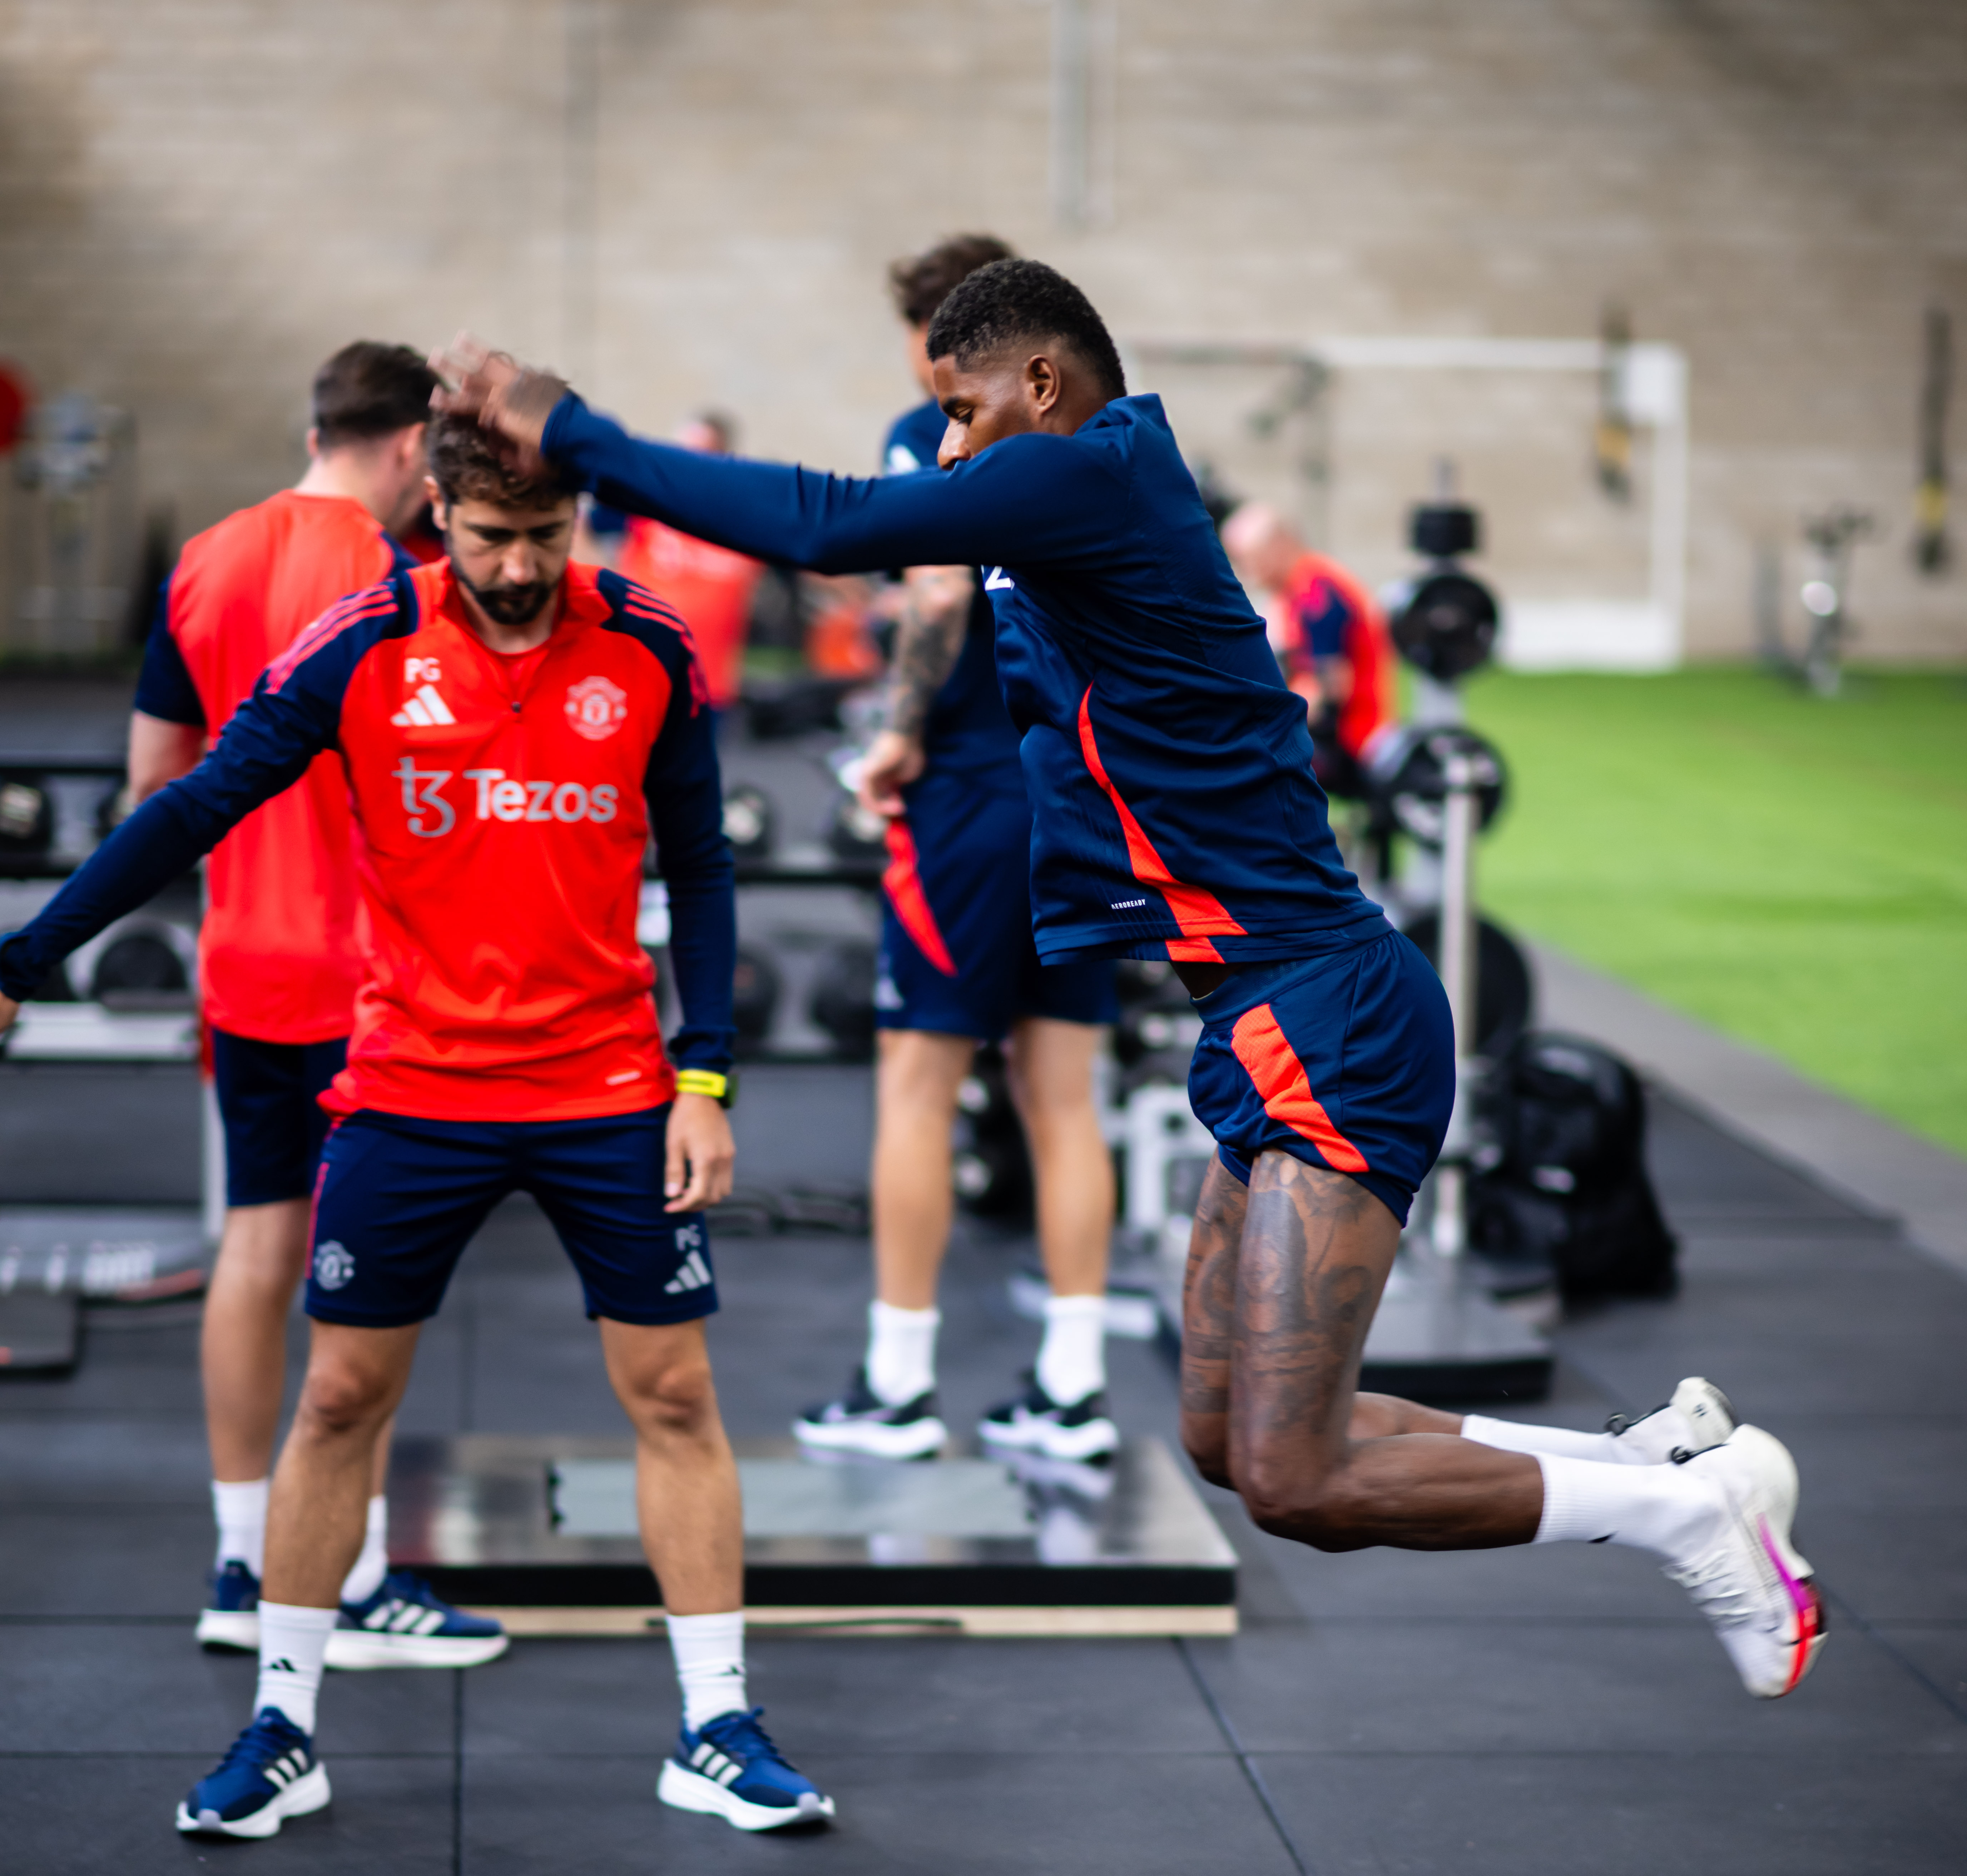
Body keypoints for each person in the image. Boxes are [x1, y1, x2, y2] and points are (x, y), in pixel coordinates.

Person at [432, 257, 1825, 1704]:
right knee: (1230, 1440)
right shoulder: (1093, 497)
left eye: (960, 409)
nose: (952, 446)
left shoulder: (1088, 477)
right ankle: (1649, 1465)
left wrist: (571, 428)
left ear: (1039, 383)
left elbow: (834, 524)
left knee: (1291, 1475)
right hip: (1259, 1019)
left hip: (1328, 1018)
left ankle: (1678, 1519)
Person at [0, 412, 834, 1840]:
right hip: (412, 1084)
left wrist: (706, 1077)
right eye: (491, 537)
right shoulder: (359, 643)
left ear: (580, 520)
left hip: (607, 1087)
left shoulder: (642, 647)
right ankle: (282, 1728)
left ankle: (713, 1725)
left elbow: (699, 872)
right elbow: (193, 804)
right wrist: (25, 951)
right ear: (432, 508)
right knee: (336, 1402)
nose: (518, 569)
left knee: (679, 1400)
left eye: (545, 538)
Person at [129, 339, 501, 1671]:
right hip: (374, 988)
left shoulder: (206, 557)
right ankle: (347, 1571)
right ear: (410, 444)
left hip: (244, 969)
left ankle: (245, 1559)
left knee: (255, 1247)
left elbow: (153, 787)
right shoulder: (410, 583)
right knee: (370, 1286)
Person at [797, 233, 1120, 1465]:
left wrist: (891, 735)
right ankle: (1074, 1392)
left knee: (918, 1090)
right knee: (1062, 1099)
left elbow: (936, 596)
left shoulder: (930, 420)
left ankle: (895, 1387)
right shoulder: (1096, 446)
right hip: (1082, 803)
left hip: (972, 799)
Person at [582, 413, 762, 721]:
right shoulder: (646, 502)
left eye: (701, 453)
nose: (688, 462)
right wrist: (608, 580)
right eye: (683, 451)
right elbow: (581, 526)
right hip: (643, 668)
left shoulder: (744, 517)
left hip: (710, 680)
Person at [1220, 502, 1395, 805]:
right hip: (1338, 734)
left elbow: (1331, 686)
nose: (1247, 573)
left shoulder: (1316, 591)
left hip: (1351, 741)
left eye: (1248, 561)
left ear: (1277, 548)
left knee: (1232, 760)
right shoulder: (1301, 586)